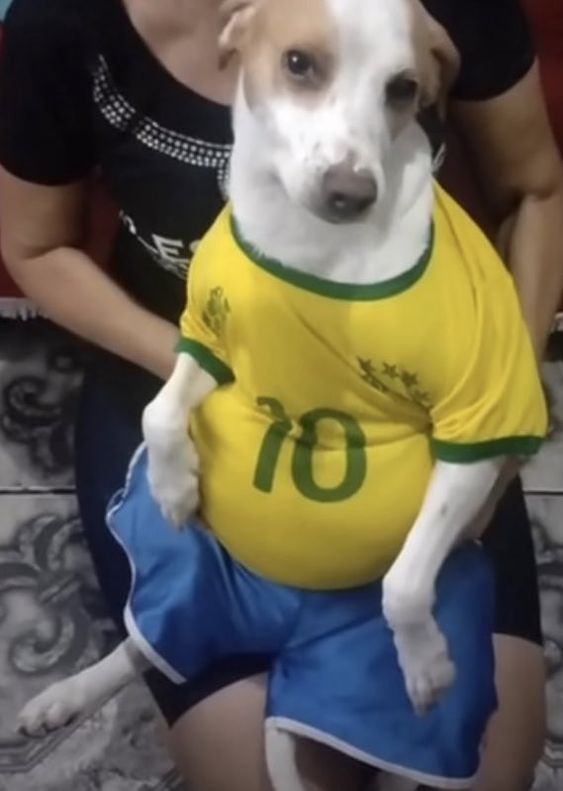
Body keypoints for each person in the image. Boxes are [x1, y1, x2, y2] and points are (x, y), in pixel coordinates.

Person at [0, 0, 562, 788]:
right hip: (177, 353)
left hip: (401, 385)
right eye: (302, 67)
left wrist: (500, 387)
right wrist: (218, 371)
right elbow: (34, 242)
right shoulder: (65, 23)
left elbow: (534, 191)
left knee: (471, 769)